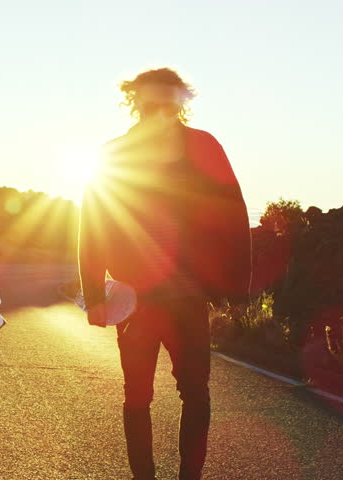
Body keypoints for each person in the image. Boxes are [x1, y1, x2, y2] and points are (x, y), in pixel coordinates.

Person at [79, 68, 251, 480]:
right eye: (151, 103)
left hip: (189, 295)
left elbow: (233, 212)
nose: (159, 112)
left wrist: (237, 285)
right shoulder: (115, 153)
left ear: (181, 103)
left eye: (168, 104)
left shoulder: (204, 146)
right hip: (133, 298)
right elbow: (93, 224)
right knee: (137, 395)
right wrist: (94, 295)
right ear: (135, 102)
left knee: (196, 393)